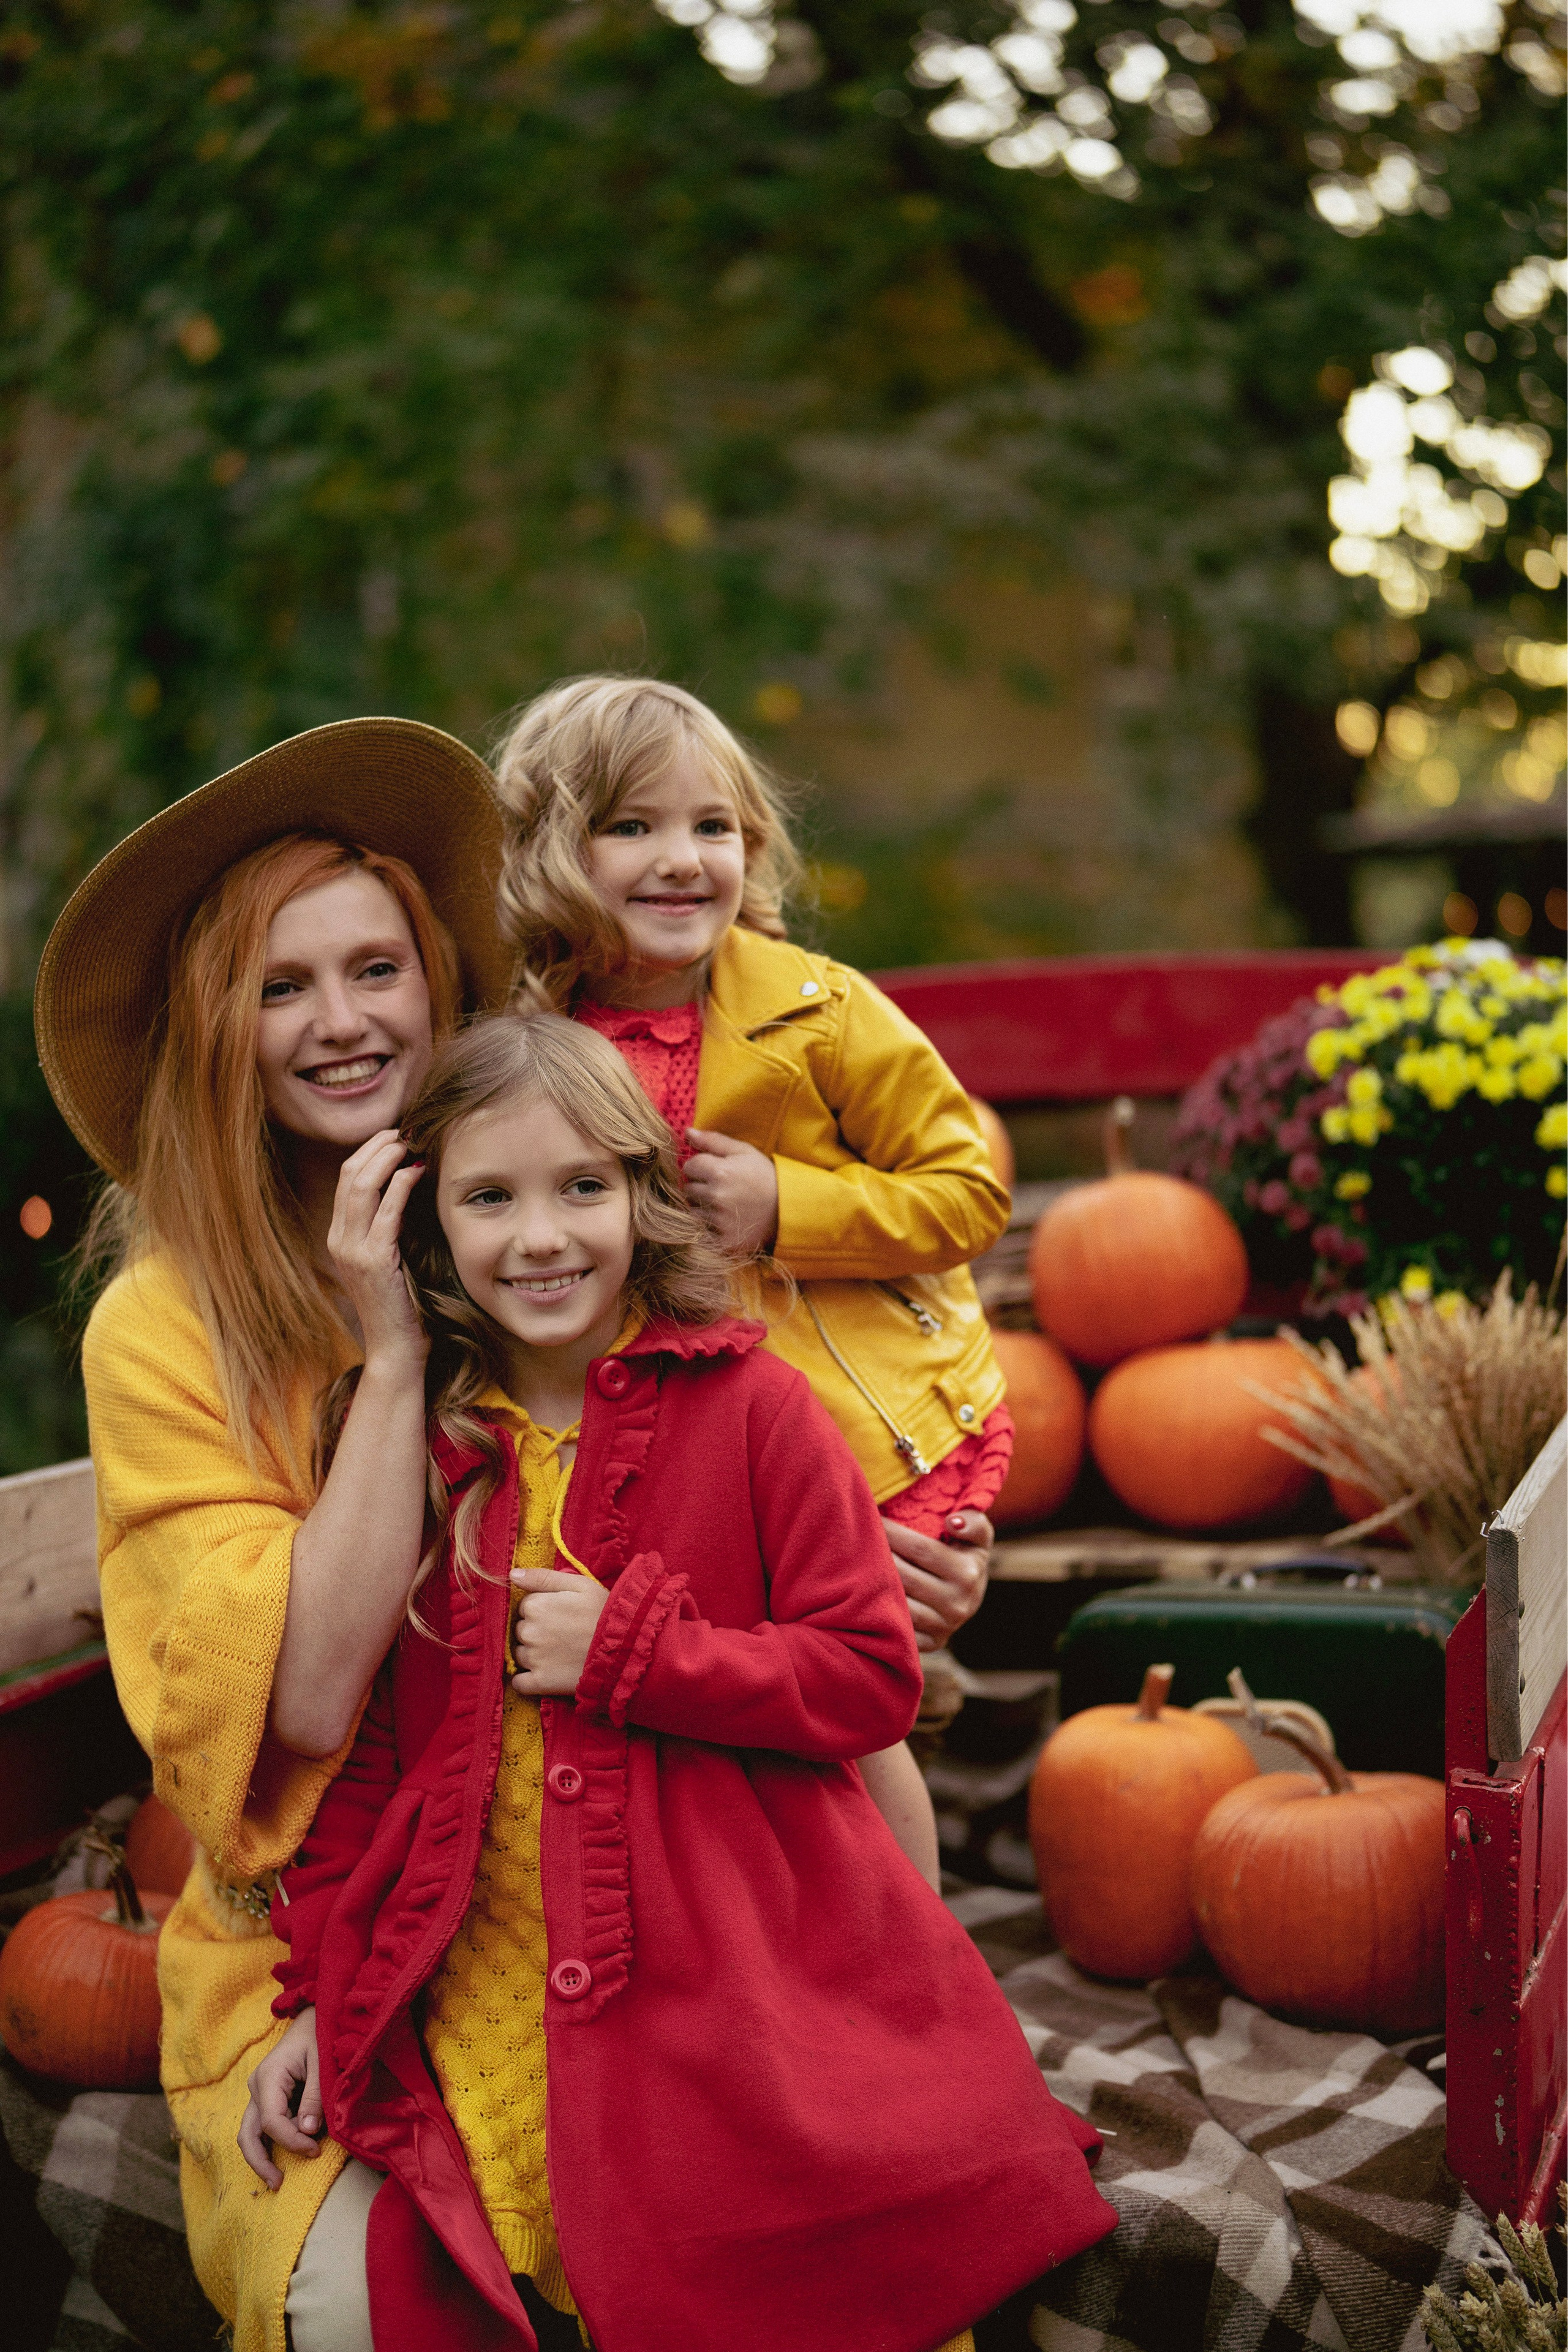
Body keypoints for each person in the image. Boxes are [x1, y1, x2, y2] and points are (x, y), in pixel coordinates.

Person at [238, 1013, 1114, 2352]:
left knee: (791, 2237)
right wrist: (322, 1996)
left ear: (645, 1197)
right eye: (490, 1198)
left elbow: (870, 1676)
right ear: (429, 1225)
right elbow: (361, 1752)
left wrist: (635, 1656)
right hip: (490, 1961)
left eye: (582, 1187)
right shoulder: (417, 1441)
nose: (541, 1238)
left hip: (720, 1949)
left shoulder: (756, 1411)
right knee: (493, 2261)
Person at [36, 718, 513, 2352]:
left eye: (375, 968)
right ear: (218, 1033)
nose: (343, 1022)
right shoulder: (162, 1328)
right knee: (370, 2301)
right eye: (283, 986)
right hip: (305, 1945)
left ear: (436, 990)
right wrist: (390, 1362)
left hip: (557, 1876)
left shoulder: (524, 1218)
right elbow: (306, 1695)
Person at [490, 676, 1014, 1885]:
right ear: (548, 854)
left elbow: (967, 1192)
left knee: (839, 1701)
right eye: (629, 827)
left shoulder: (820, 1015)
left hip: (832, 1421)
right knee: (685, 1693)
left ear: (752, 846)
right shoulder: (531, 1038)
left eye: (710, 827)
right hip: (656, 1430)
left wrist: (792, 1207)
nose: (678, 859)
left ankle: (916, 1960)